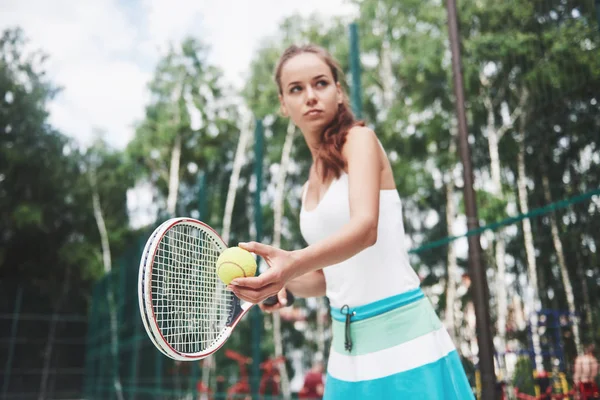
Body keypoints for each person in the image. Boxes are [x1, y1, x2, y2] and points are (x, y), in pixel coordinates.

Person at [228, 44, 474, 399]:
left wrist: (291, 263)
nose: (310, 96)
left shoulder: (360, 140)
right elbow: (330, 278)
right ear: (284, 104)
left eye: (321, 83)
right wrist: (284, 283)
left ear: (338, 92)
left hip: (402, 337)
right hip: (346, 353)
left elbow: (365, 230)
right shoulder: (307, 186)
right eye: (296, 89)